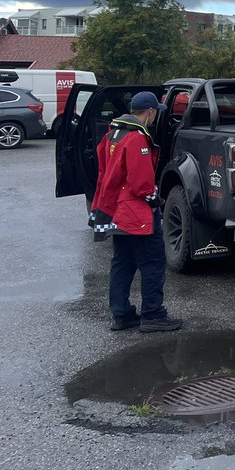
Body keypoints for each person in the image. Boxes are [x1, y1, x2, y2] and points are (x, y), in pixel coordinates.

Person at [93, 91, 183, 333]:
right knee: (152, 263)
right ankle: (153, 315)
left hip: (117, 211)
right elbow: (141, 183)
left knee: (122, 263)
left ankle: (121, 314)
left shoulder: (112, 134)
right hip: (136, 213)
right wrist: (156, 201)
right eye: (155, 113)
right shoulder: (137, 138)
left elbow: (103, 171)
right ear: (150, 112)